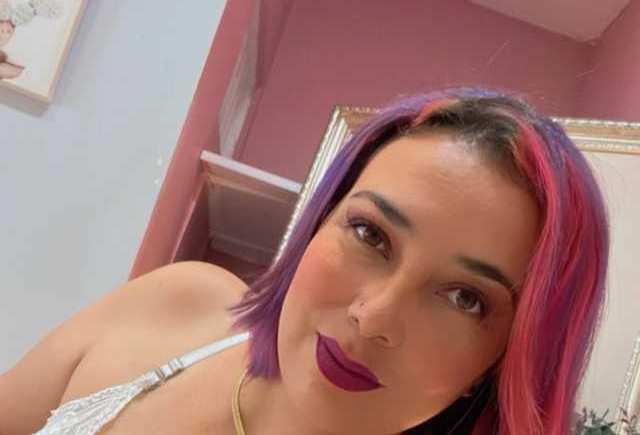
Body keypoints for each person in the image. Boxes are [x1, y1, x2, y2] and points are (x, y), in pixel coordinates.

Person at [0, 88, 609, 435]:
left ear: (501, 361)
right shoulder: (178, 302)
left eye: (465, 298)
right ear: (322, 220)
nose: (375, 317)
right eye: (371, 234)